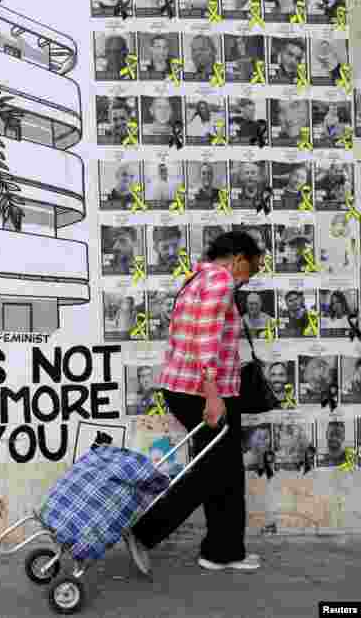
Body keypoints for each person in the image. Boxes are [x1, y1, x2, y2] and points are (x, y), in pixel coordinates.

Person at [124, 230, 264, 574]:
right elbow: (205, 339)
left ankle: (222, 551)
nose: (250, 277)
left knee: (227, 471)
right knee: (215, 471)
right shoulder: (219, 280)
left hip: (191, 387)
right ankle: (144, 533)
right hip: (201, 391)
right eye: (252, 268)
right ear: (238, 259)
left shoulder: (197, 278)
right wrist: (212, 394)